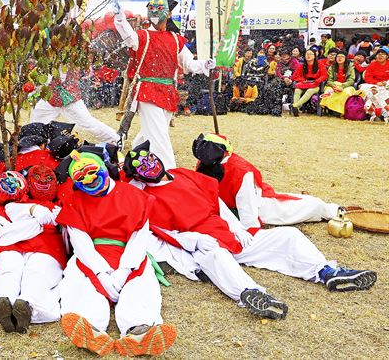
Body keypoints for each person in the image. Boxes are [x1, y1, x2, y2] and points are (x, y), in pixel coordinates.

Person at [124, 142, 377, 320]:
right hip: (202, 245)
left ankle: (326, 272)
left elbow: (218, 204)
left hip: (229, 233)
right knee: (215, 257)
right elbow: (166, 233)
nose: (150, 166)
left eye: (150, 160)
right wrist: (198, 240)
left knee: (288, 235)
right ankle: (252, 294)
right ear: (139, 176)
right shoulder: (146, 198)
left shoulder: (184, 175)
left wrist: (237, 228)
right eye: (143, 168)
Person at [56, 147, 177, 357]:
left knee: (139, 286)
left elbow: (139, 237)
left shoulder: (133, 195)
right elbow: (81, 242)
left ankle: (139, 331)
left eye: (92, 171)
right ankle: (91, 328)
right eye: (81, 177)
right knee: (81, 286)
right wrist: (102, 273)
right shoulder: (75, 201)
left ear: (103, 168)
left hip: (129, 255)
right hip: (91, 256)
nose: (89, 179)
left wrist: (124, 270)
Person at [112, 0, 214, 169]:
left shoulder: (175, 39)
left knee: (148, 135)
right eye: (151, 9)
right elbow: (129, 37)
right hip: (148, 90)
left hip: (168, 92)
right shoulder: (142, 36)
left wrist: (205, 64)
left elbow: (188, 63)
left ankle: (131, 163)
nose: (154, 13)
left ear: (168, 14)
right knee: (158, 136)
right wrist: (120, 17)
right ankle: (169, 174)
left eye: (159, 9)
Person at [0, 167, 66, 334]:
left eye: (48, 178)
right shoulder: (18, 203)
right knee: (12, 270)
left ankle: (21, 304)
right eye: (38, 177)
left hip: (40, 244)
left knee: (31, 271)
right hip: (22, 241)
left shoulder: (59, 205)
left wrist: (62, 216)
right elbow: (12, 210)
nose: (42, 181)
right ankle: (11, 302)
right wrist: (33, 209)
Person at [193, 134, 343, 227]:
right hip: (242, 209)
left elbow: (247, 205)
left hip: (252, 204)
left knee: (308, 205)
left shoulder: (237, 170)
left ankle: (334, 211)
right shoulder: (232, 169)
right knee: (303, 205)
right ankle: (327, 208)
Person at [28, 65, 119, 144]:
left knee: (88, 123)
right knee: (37, 119)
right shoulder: (50, 55)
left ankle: (115, 139)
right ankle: (35, 142)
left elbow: (59, 78)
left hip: (69, 100)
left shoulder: (68, 56)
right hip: (50, 99)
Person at [290, 49, 327, 116]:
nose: (308, 56)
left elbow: (324, 75)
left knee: (310, 91)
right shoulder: (302, 65)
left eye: (310, 54)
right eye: (307, 54)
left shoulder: (320, 64)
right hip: (305, 82)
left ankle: (295, 105)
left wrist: (317, 80)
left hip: (315, 84)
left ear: (314, 56)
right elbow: (295, 76)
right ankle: (296, 110)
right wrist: (302, 79)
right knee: (297, 90)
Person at [320, 50, 356, 115]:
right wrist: (334, 86)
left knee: (346, 93)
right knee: (329, 91)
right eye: (338, 56)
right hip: (334, 85)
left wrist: (342, 86)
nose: (339, 58)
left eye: (342, 56)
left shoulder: (350, 67)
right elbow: (329, 80)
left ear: (345, 58)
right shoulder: (332, 67)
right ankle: (331, 109)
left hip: (346, 86)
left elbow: (351, 80)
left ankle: (341, 111)